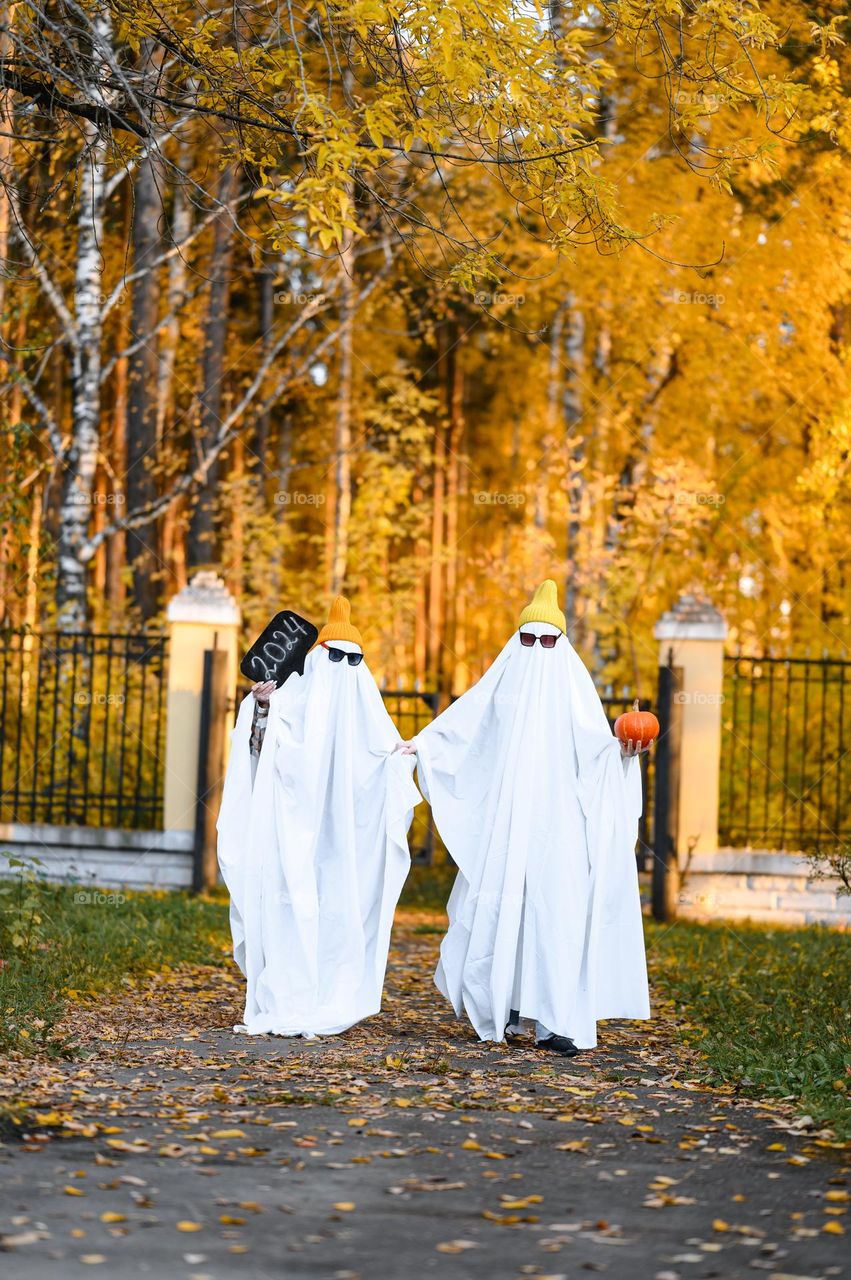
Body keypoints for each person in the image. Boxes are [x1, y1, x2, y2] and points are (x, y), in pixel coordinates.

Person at [397, 580, 652, 1056]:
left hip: (562, 829)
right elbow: (465, 724)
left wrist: (624, 751)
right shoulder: (503, 686)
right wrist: (424, 745)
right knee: (501, 905)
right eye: (529, 640)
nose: (537, 649)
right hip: (508, 824)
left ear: (562, 644)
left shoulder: (574, 692)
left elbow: (599, 750)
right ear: (518, 642)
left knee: (556, 916)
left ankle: (554, 1021)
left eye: (548, 641)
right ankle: (502, 1004)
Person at [217, 596, 421, 1037]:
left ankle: (331, 993)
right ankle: (287, 995)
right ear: (316, 657)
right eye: (334, 657)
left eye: (353, 660)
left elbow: (383, 755)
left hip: (341, 845)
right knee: (290, 910)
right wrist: (261, 708)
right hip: (289, 837)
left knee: (334, 911)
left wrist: (401, 759)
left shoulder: (367, 713)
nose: (343, 667)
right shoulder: (288, 702)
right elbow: (258, 756)